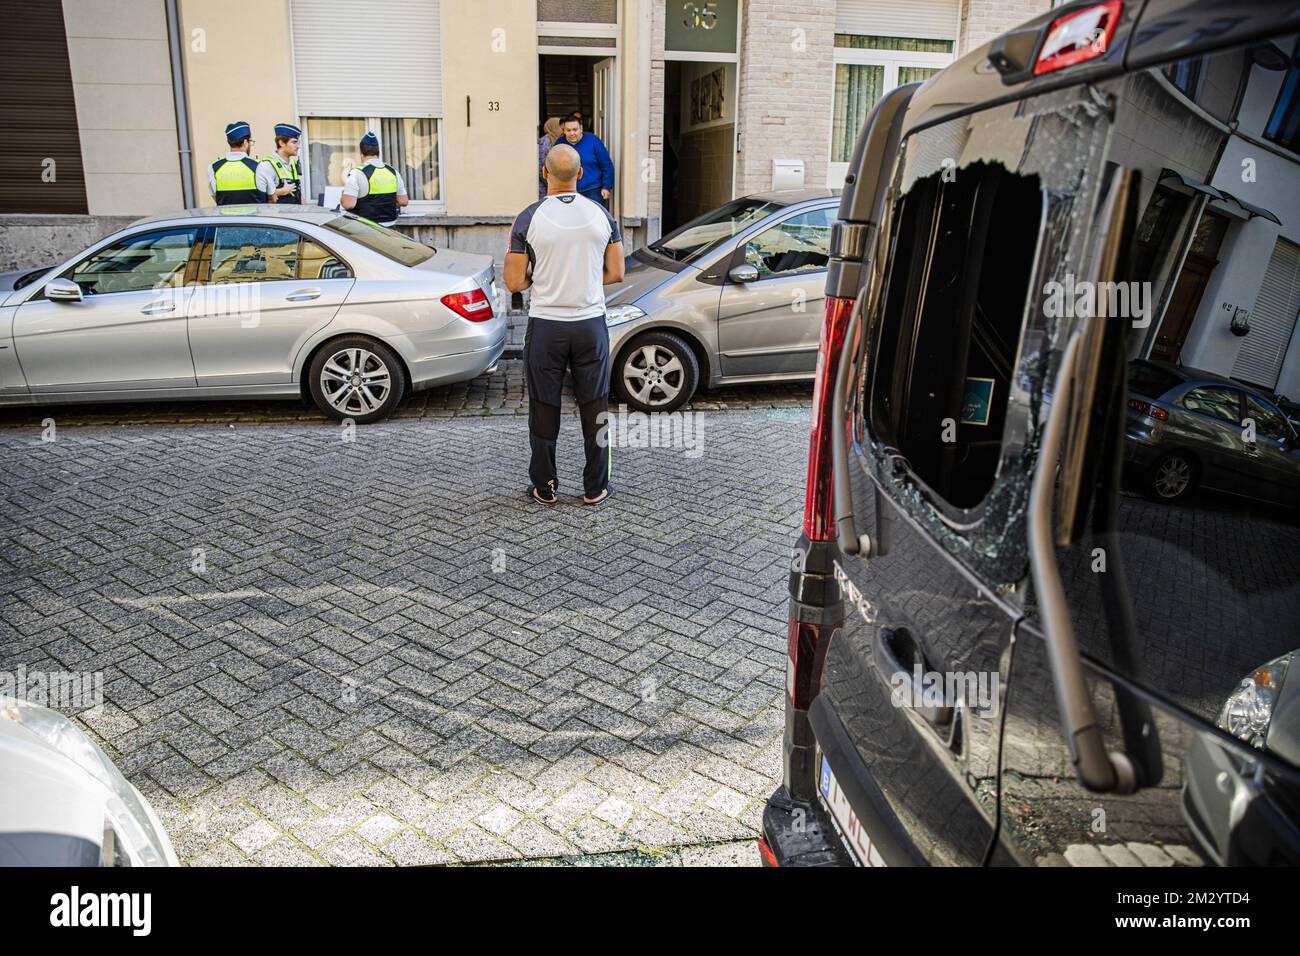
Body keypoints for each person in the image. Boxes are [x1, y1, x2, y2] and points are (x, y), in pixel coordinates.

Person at [505, 143, 624, 506]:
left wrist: (539, 278)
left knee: (544, 405)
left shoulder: (528, 217)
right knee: (595, 405)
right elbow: (617, 272)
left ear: (544, 173)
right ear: (581, 174)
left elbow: (513, 282)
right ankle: (595, 488)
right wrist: (583, 278)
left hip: (547, 327)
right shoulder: (602, 215)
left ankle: (545, 487)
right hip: (590, 324)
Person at [341, 131, 408, 225]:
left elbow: (348, 204)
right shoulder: (393, 171)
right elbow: (403, 201)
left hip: (367, 229)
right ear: (378, 152)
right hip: (390, 229)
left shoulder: (357, 173)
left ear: (361, 152)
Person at [209, 121, 277, 205]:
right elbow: (273, 198)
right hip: (255, 217)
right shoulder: (259, 166)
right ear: (245, 143)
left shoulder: (214, 167)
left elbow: (216, 198)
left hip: (226, 218)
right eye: (250, 142)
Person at [559, 112, 614, 208]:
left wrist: (606, 187)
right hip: (568, 191)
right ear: (564, 131)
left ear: (581, 128)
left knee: (595, 221)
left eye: (575, 129)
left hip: (593, 190)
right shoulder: (559, 144)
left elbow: (607, 165)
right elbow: (554, 167)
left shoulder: (593, 141)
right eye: (568, 130)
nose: (572, 133)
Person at [261, 123, 303, 204]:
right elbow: (262, 196)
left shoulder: (293, 164)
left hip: (295, 214)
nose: (298, 146)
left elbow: (297, 192)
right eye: (294, 142)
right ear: (281, 143)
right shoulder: (268, 165)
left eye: (298, 143)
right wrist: (282, 191)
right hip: (278, 215)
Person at [537, 116, 561, 200]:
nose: (562, 130)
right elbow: (541, 165)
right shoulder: (545, 142)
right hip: (545, 187)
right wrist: (550, 184)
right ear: (554, 128)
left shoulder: (555, 140)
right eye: (560, 127)